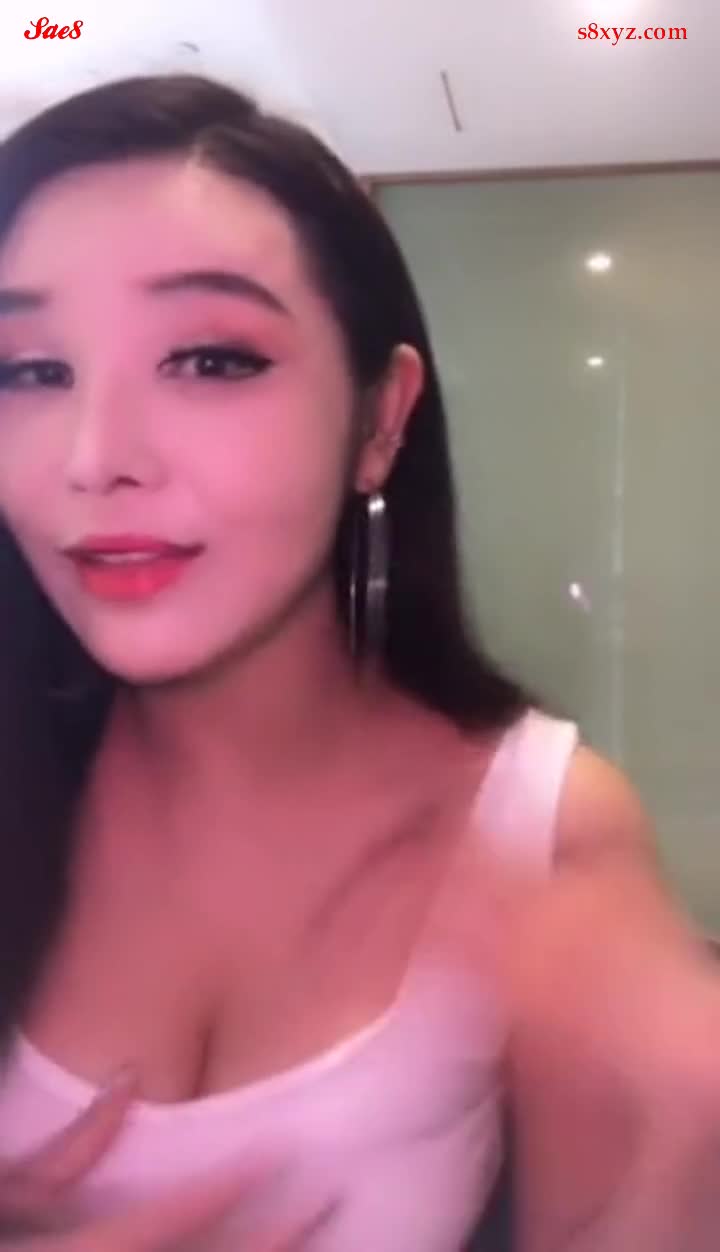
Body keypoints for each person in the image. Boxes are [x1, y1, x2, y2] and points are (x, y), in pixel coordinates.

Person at [0, 73, 717, 1252]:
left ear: (380, 419)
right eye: (31, 370)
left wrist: (681, 1161)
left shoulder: (541, 834)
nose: (95, 455)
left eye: (209, 359)